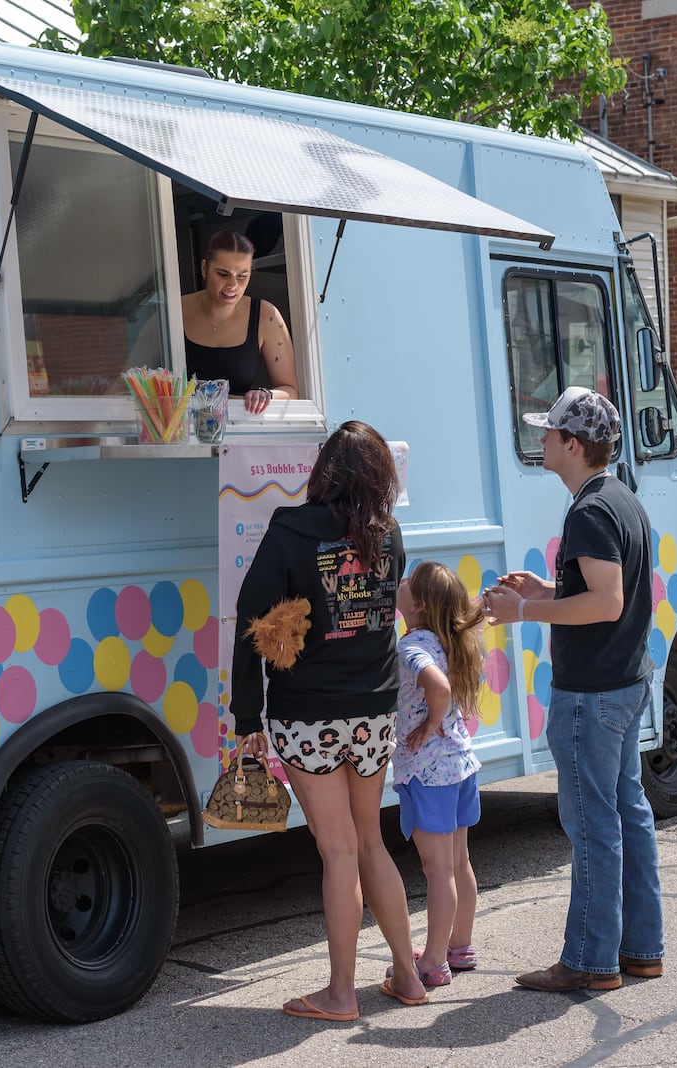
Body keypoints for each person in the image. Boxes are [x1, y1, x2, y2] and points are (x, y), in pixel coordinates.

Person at [232, 420, 428, 1020]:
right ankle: (408, 976)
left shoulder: (290, 530)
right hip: (374, 712)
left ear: (324, 473)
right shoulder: (388, 534)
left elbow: (250, 620)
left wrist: (246, 715)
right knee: (370, 841)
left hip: (309, 715)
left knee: (338, 850)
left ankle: (342, 993)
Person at [481, 386, 663, 992]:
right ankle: (640, 950)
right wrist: (545, 589)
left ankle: (589, 960)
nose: (542, 440)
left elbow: (606, 603)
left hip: (591, 691)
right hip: (624, 681)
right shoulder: (619, 498)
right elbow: (606, 594)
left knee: (593, 825)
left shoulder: (590, 510)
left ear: (574, 444)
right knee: (627, 815)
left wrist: (524, 611)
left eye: (550, 432)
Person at [390, 561, 484, 990]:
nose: (400, 581)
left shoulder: (411, 648)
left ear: (420, 605)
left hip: (429, 773)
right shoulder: (450, 640)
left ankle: (432, 961)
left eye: (408, 581)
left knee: (438, 870)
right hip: (460, 764)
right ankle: (459, 946)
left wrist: (429, 724)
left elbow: (439, 689)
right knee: (459, 862)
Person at [182, 230, 300, 414]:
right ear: (204, 269)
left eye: (242, 276)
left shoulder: (266, 316)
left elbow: (290, 391)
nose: (233, 285)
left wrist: (265, 395)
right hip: (180, 425)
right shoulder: (174, 311)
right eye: (223, 274)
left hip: (241, 424)